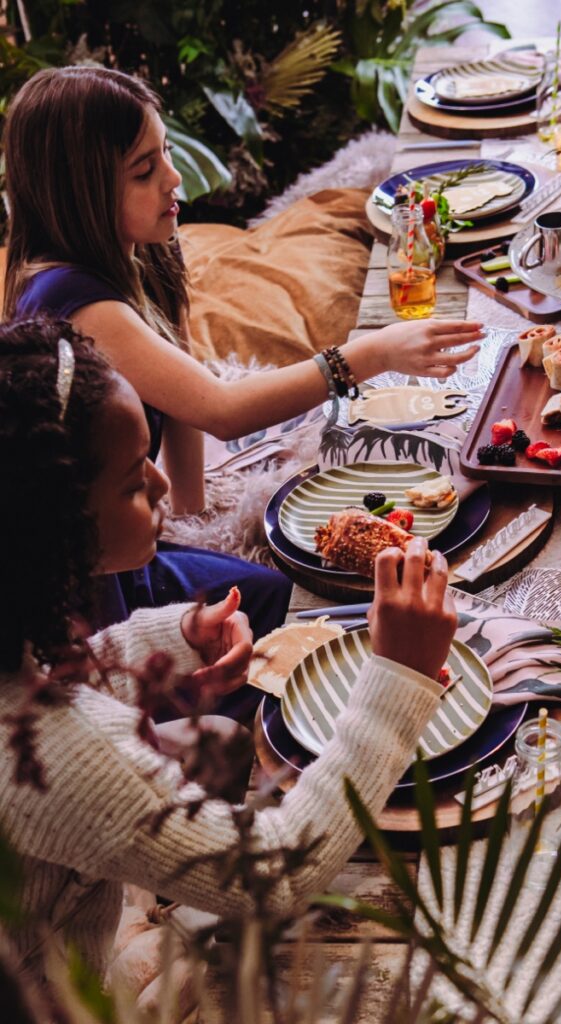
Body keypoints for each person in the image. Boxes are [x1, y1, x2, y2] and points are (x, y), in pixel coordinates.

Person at [0, 316, 457, 988]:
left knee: (217, 736)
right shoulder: (52, 751)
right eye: (132, 483)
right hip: (53, 998)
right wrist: (397, 679)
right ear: (53, 527)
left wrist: (166, 640)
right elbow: (275, 873)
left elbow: (50, 680)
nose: (161, 487)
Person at [1, 66, 482, 679]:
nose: (174, 180)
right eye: (144, 172)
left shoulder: (141, 254)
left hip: (134, 534)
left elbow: (175, 397)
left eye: (166, 153)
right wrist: (369, 354)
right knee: (288, 607)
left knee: (275, 595)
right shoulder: (78, 302)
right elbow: (219, 408)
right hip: (94, 579)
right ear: (80, 193)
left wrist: (195, 512)